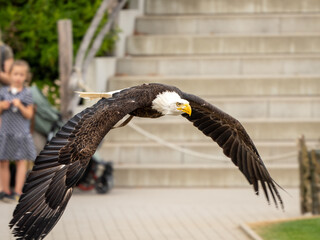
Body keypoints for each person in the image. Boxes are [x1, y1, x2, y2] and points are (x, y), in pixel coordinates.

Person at [0, 60, 36, 202]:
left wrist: (20, 105)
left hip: (20, 133)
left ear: (25, 76)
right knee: (3, 161)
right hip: (6, 133)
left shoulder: (27, 93)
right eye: (15, 74)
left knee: (21, 161)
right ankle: (5, 190)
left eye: (21, 75)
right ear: (10, 75)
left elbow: (29, 114)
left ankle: (18, 191)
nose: (18, 77)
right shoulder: (3, 92)